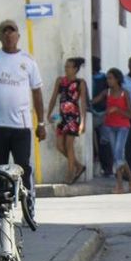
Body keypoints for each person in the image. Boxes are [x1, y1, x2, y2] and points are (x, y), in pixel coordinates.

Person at [0, 19, 46, 199]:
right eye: (4, 31)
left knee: (23, 167)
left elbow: (37, 93)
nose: (8, 35)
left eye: (12, 31)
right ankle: (0, 208)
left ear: (18, 36)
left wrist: (41, 123)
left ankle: (28, 204)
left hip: (21, 126)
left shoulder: (28, 61)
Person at [89, 67, 131, 192]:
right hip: (109, 126)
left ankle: (122, 184)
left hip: (123, 127)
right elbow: (92, 102)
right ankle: (128, 181)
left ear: (117, 79)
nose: (108, 81)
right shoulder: (106, 92)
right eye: (107, 78)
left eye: (110, 78)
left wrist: (117, 110)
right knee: (118, 155)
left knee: (118, 154)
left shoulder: (124, 93)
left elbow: (130, 114)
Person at [47, 56, 88, 184]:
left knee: (69, 145)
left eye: (69, 67)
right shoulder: (60, 81)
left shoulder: (80, 83)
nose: (66, 69)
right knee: (60, 146)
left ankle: (70, 174)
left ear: (75, 69)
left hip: (73, 117)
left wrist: (82, 122)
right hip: (61, 117)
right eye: (65, 66)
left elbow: (83, 104)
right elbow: (54, 98)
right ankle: (78, 165)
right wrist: (49, 113)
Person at [89, 56, 113, 177]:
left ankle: (107, 167)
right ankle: (100, 166)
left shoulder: (103, 78)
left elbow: (105, 93)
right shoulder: (89, 77)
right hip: (93, 113)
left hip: (102, 113)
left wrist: (92, 102)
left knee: (104, 141)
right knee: (96, 142)